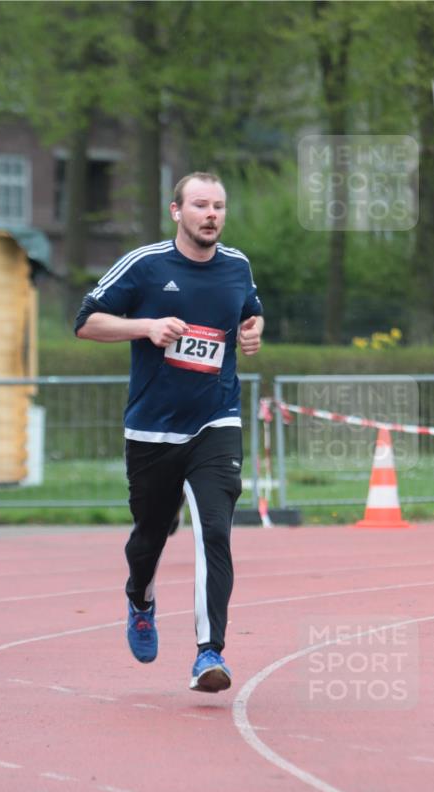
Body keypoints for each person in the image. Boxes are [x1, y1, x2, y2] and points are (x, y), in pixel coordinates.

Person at [75, 172, 263, 692]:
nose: (211, 214)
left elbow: (250, 313)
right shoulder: (146, 265)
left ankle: (209, 653)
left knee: (215, 531)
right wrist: (146, 327)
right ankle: (140, 598)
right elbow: (86, 322)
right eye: (200, 205)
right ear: (176, 211)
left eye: (219, 206)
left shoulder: (238, 266)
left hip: (216, 421)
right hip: (153, 431)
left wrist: (253, 332)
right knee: (150, 538)